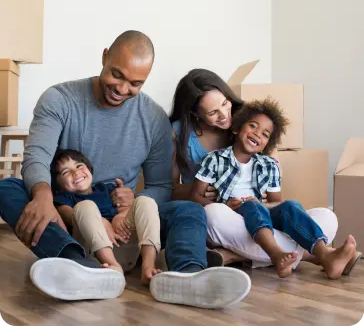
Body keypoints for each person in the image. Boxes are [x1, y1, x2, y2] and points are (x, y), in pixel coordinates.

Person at [0, 31, 250, 308]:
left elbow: (161, 186)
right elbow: (37, 155)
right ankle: (78, 265)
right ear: (105, 56)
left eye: (135, 83)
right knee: (7, 189)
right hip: (67, 215)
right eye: (116, 75)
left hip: (126, 226)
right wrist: (43, 196)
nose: (121, 89)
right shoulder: (60, 99)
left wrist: (127, 209)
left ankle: (187, 276)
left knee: (188, 210)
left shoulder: (154, 119)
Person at [169, 68, 342, 271]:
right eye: (213, 112)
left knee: (326, 217)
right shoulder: (190, 141)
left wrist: (265, 202)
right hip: (222, 216)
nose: (225, 115)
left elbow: (275, 194)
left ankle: (234, 255)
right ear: (195, 113)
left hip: (260, 214)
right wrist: (209, 194)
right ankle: (308, 256)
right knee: (215, 213)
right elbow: (171, 188)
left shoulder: (252, 121)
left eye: (225, 103)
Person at [191, 98, 361, 279]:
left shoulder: (269, 165)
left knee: (311, 212)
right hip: (232, 218)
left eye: (265, 134)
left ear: (268, 144)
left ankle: (322, 253)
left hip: (263, 220)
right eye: (253, 126)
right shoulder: (215, 159)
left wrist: (262, 205)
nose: (257, 134)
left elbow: (275, 204)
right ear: (236, 128)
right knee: (218, 211)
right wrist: (225, 205)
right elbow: (195, 197)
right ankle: (288, 255)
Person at [51, 148, 161, 285]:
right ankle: (113, 266)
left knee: (145, 201)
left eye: (79, 166)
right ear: (58, 184)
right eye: (66, 172)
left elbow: (127, 208)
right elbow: (67, 215)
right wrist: (102, 222)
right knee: (85, 206)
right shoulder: (64, 198)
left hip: (125, 246)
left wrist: (120, 216)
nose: (76, 172)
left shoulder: (106, 188)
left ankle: (148, 267)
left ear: (89, 169)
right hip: (95, 255)